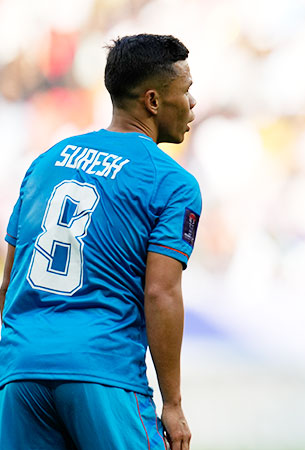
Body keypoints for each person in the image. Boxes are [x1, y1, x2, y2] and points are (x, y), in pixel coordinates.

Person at [0, 34, 200, 449]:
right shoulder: (172, 182)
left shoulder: (45, 162)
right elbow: (161, 292)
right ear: (153, 101)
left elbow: (8, 283)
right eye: (186, 90)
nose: (193, 103)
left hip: (20, 369)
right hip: (101, 370)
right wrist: (173, 404)